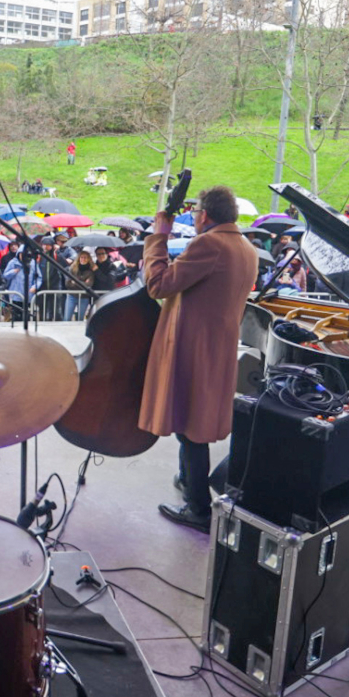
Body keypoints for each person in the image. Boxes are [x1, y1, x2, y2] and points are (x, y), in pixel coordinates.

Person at [141, 186, 259, 532]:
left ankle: (198, 508)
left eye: (194, 214)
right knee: (192, 419)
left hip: (194, 349)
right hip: (216, 349)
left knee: (192, 429)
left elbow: (158, 285)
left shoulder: (209, 244)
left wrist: (158, 238)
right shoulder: (246, 247)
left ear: (204, 215)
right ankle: (187, 478)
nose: (193, 219)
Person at [65, 247, 97, 320]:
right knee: (67, 318)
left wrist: (75, 282)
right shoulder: (72, 268)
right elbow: (67, 283)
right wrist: (82, 283)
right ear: (78, 258)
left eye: (85, 257)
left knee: (80, 319)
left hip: (84, 297)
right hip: (71, 296)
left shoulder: (91, 271)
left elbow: (88, 286)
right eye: (81, 257)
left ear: (89, 259)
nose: (83, 259)